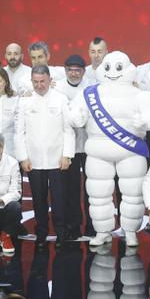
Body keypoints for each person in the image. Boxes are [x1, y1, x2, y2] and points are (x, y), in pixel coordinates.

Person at [69, 50, 150, 248]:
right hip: (98, 151)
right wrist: (76, 117)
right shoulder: (88, 94)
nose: (113, 71)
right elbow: (73, 113)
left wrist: (147, 120)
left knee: (133, 194)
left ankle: (130, 232)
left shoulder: (140, 95)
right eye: (108, 67)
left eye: (118, 67)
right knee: (98, 195)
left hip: (130, 151)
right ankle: (102, 231)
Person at [16, 65, 75, 244]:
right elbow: (19, 133)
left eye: (42, 81)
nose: (39, 85)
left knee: (59, 199)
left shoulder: (61, 99)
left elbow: (68, 130)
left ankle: (61, 233)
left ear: (49, 80)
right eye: (36, 82)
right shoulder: (24, 102)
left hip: (57, 159)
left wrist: (67, 155)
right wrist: (23, 157)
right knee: (38, 199)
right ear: (31, 81)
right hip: (33, 160)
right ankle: (41, 232)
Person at [54, 54, 91, 240]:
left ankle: (93, 225)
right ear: (65, 70)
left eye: (78, 70)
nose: (74, 73)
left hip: (90, 144)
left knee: (92, 187)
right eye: (70, 70)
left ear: (84, 71)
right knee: (70, 188)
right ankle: (73, 225)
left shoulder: (92, 87)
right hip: (68, 147)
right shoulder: (58, 88)